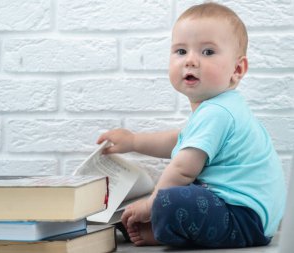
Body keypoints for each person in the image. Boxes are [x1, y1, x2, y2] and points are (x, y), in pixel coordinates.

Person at [97, 2, 286, 249]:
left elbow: (183, 170)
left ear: (237, 69)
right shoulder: (220, 108)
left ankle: (161, 229)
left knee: (168, 199)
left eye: (207, 52)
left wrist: (152, 204)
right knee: (162, 197)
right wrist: (134, 141)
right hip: (245, 215)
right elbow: (179, 140)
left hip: (242, 217)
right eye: (181, 51)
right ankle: (159, 223)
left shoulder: (218, 112)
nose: (191, 61)